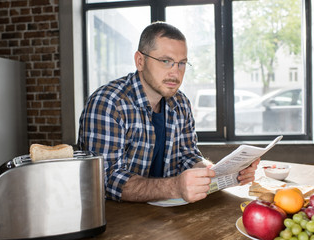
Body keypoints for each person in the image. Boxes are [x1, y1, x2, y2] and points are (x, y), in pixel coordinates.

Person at [78, 22, 259, 203]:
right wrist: (175, 187)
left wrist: (219, 173)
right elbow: (107, 180)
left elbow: (188, 157)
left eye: (182, 63)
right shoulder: (108, 103)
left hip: (167, 217)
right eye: (166, 61)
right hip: (116, 221)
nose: (176, 72)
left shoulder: (181, 103)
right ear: (140, 61)